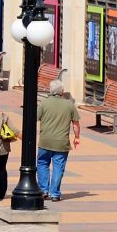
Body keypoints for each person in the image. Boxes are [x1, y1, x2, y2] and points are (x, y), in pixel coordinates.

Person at [36, 71, 82, 200]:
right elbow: (76, 124)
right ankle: (54, 193)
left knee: (42, 163)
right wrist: (77, 138)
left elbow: (35, 117)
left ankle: (44, 189)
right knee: (58, 167)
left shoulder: (44, 103)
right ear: (62, 91)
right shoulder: (69, 105)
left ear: (50, 91)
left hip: (45, 141)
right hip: (61, 143)